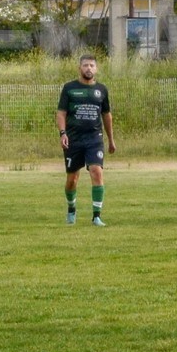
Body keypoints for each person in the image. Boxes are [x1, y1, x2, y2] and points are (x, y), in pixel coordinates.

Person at [56, 54, 116, 226]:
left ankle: (96, 216)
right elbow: (61, 113)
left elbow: (106, 115)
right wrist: (63, 133)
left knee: (96, 171)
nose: (88, 68)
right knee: (72, 179)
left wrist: (111, 139)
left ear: (96, 69)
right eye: (85, 65)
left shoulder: (102, 90)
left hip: (94, 138)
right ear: (79, 68)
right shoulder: (69, 88)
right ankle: (71, 209)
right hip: (73, 139)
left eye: (91, 65)